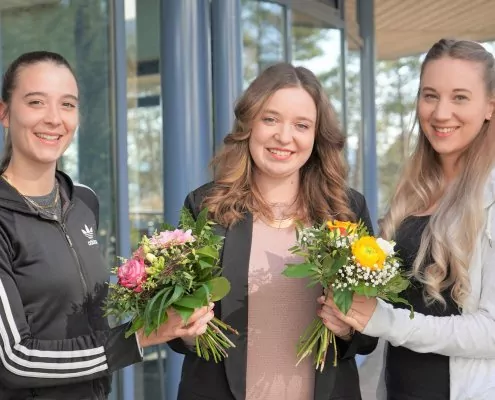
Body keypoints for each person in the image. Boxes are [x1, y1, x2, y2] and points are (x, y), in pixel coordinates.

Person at [0, 51, 213, 400]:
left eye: (67, 105)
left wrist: (155, 289)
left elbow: (81, 309)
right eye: (36, 102)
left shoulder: (83, 202)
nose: (54, 118)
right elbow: (13, 360)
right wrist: (140, 336)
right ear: (5, 113)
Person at [168, 62, 378, 400]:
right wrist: (189, 331)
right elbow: (177, 330)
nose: (284, 136)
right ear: (249, 124)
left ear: (316, 135)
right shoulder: (205, 207)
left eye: (301, 125)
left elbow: (371, 331)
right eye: (270, 119)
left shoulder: (347, 210)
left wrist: (350, 330)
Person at [320, 38, 495, 400]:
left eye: (459, 97)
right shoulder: (413, 193)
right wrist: (349, 317)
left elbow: (491, 332)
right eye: (430, 95)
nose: (441, 112)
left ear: (490, 107)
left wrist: (383, 320)